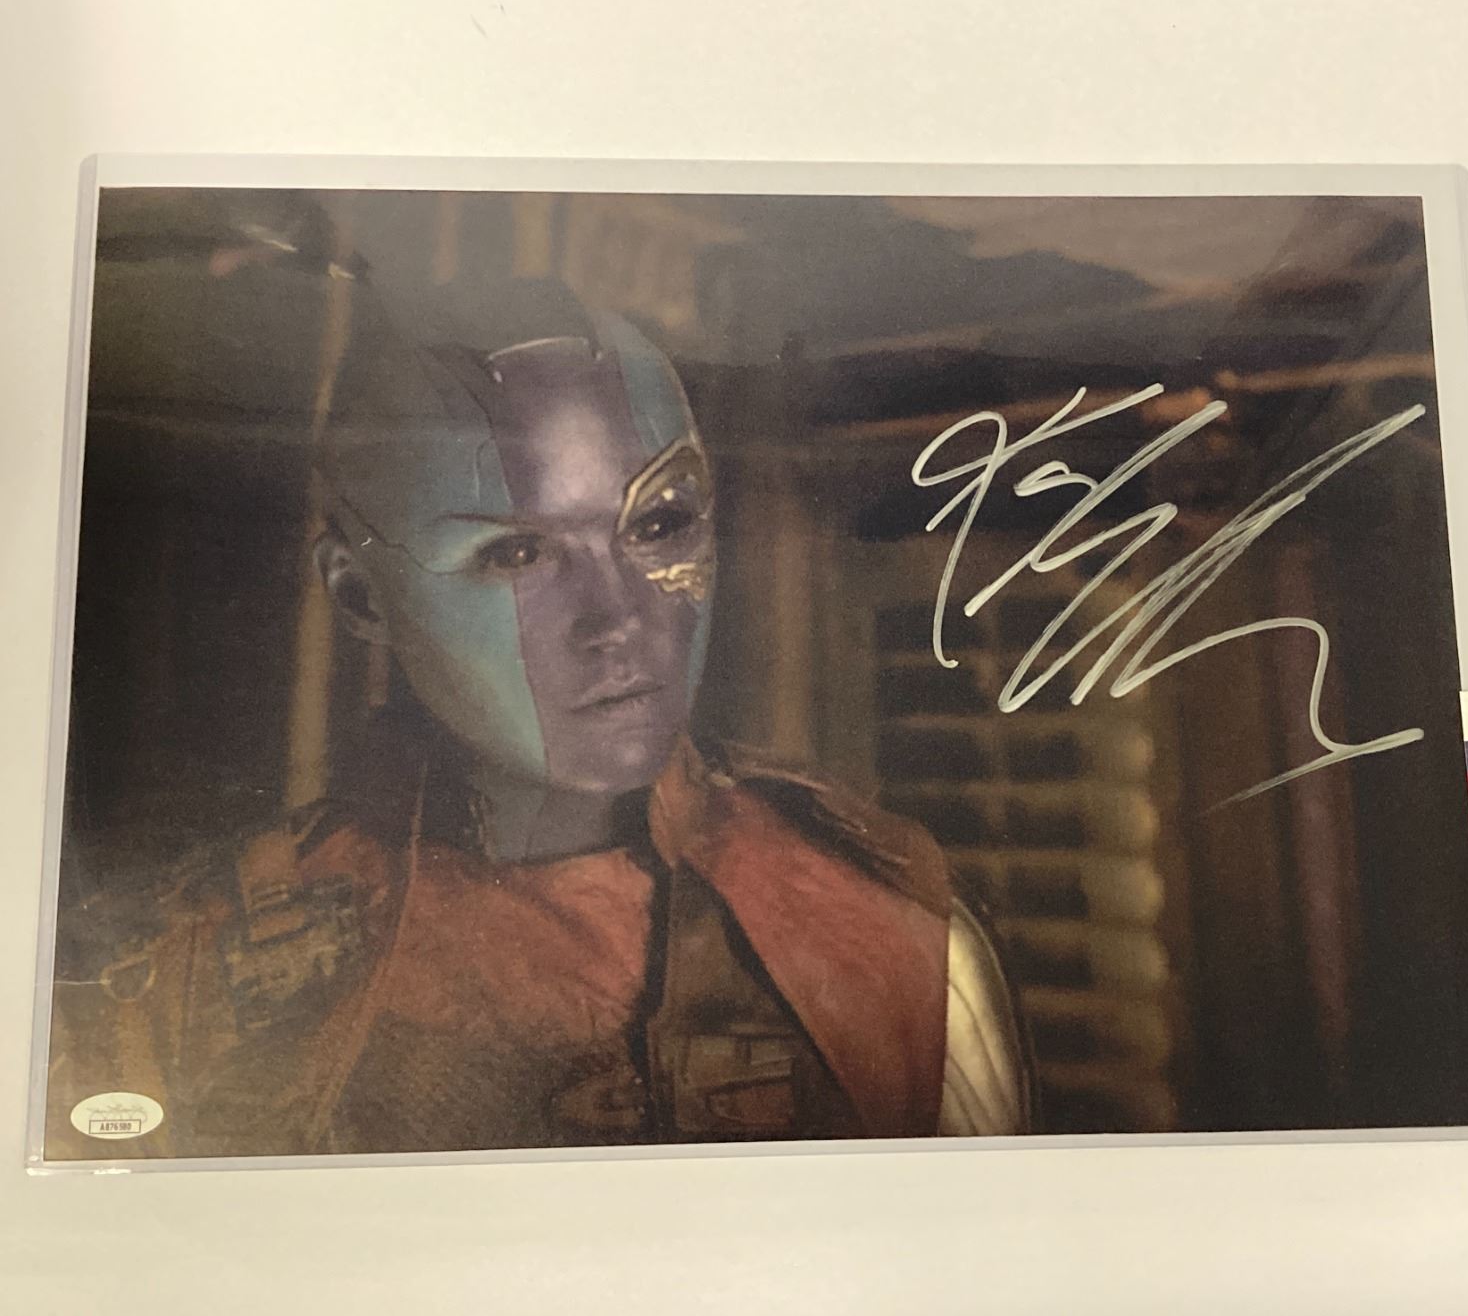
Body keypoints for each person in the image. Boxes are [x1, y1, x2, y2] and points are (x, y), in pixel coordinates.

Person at [45, 268, 1028, 1159]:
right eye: (517, 554)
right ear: (359, 593)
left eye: (659, 523)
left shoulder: (894, 929)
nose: (618, 620)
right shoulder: (187, 968)